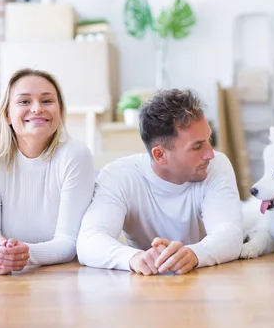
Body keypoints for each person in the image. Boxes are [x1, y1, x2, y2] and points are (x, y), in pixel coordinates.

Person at [76, 89, 243, 275]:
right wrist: (134, 258)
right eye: (197, 146)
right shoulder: (119, 176)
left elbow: (230, 234)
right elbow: (89, 241)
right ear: (160, 155)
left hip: (206, 281)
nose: (210, 153)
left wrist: (194, 254)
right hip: (146, 286)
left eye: (208, 140)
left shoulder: (216, 166)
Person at [0, 68, 95, 275]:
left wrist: (24, 255)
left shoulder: (75, 155)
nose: (37, 109)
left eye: (47, 101)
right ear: (7, 114)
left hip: (65, 277)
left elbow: (69, 242)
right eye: (24, 101)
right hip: (13, 277)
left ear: (60, 112)